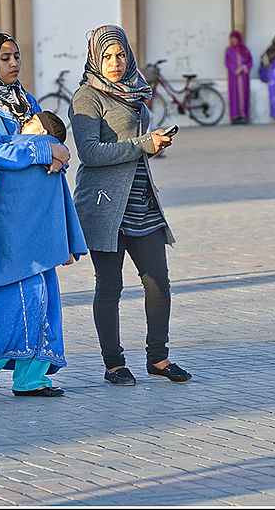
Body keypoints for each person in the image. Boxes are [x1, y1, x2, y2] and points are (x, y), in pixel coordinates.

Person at [0, 33, 87, 397]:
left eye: (16, 56)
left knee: (43, 286)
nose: (14, 63)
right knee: (12, 284)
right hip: (5, 212)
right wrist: (46, 149)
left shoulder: (26, 99)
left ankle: (33, 378)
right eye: (5, 58)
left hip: (38, 211)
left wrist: (54, 149)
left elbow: (47, 135)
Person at [69, 24, 190, 387]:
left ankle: (158, 357)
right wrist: (142, 144)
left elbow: (135, 141)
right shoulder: (86, 98)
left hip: (141, 201)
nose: (115, 62)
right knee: (109, 286)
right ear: (95, 57)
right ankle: (113, 364)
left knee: (158, 284)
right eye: (107, 56)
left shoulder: (135, 90)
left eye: (120, 54)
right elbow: (89, 154)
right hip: (106, 206)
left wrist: (154, 144)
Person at [225, 30, 253, 124]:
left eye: (234, 38)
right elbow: (227, 62)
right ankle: (235, 117)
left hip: (244, 77)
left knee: (244, 95)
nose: (232, 40)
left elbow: (250, 61)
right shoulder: (229, 50)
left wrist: (245, 67)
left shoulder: (245, 50)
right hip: (234, 77)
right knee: (234, 95)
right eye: (231, 39)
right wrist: (235, 69)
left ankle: (243, 116)